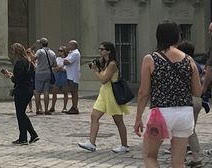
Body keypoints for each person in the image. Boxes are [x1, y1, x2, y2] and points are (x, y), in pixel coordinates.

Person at [134, 21, 202, 168]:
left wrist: (138, 117)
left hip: (161, 113)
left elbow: (143, 92)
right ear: (177, 37)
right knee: (178, 163)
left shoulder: (151, 59)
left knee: (149, 156)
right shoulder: (188, 59)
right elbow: (198, 92)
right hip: (185, 113)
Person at [77, 41, 130, 153]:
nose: (100, 51)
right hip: (103, 93)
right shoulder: (105, 63)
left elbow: (104, 80)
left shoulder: (112, 64)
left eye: (102, 49)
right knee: (94, 116)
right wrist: (98, 68)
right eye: (99, 49)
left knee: (118, 120)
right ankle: (92, 143)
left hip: (112, 94)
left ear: (108, 51)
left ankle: (124, 145)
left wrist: (95, 71)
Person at [2, 42, 38, 145]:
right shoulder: (29, 62)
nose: (12, 53)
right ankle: (31, 135)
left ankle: (25, 137)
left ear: (16, 52)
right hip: (28, 89)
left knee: (20, 114)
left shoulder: (19, 62)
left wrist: (11, 76)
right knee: (22, 113)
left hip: (21, 90)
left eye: (13, 51)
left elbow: (16, 79)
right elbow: (26, 76)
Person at [176, 40, 203, 168]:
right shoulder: (196, 64)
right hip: (197, 99)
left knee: (182, 130)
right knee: (190, 129)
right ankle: (195, 156)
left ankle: (184, 158)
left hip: (187, 99)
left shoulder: (183, 64)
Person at [33, 37, 56, 114]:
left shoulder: (40, 51)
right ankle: (46, 109)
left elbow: (34, 58)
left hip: (39, 73)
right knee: (46, 92)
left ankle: (38, 110)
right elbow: (54, 64)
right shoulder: (52, 53)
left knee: (38, 92)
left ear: (41, 44)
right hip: (48, 73)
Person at [62, 39, 81, 114]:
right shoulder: (71, 53)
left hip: (73, 76)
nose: (68, 45)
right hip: (70, 75)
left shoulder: (75, 53)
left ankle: (75, 107)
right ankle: (73, 106)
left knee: (74, 91)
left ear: (73, 45)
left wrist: (65, 61)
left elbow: (66, 61)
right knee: (72, 92)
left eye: (69, 44)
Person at [49, 45, 69, 113]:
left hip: (64, 76)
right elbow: (54, 68)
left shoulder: (67, 59)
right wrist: (59, 68)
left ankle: (65, 107)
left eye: (61, 51)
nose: (59, 52)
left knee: (65, 92)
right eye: (59, 50)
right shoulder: (57, 59)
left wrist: (59, 68)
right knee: (54, 92)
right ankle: (52, 106)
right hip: (57, 76)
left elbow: (65, 69)